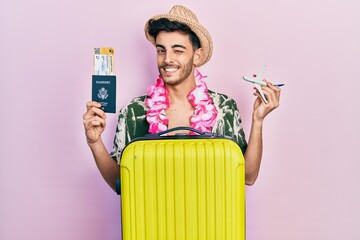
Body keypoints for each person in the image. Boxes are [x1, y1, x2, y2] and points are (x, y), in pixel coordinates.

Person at [83, 5, 281, 192]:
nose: (167, 59)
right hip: (152, 224)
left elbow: (247, 176)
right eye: (161, 50)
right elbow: (121, 184)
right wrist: (95, 142)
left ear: (197, 55)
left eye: (178, 50)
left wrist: (258, 120)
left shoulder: (224, 108)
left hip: (210, 223)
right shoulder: (134, 111)